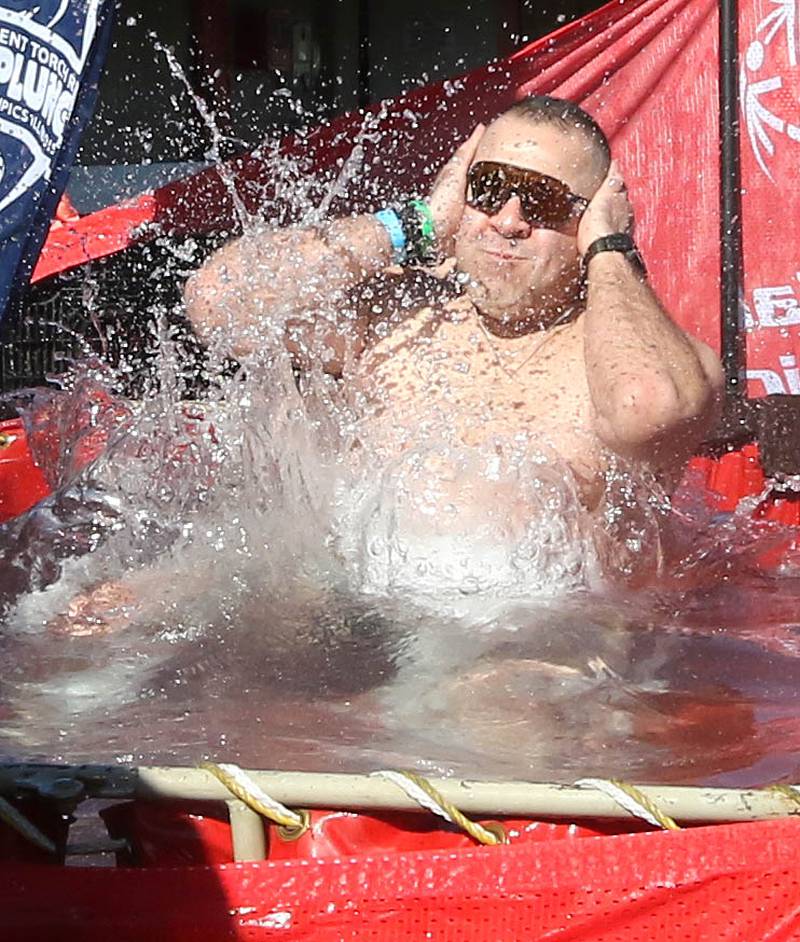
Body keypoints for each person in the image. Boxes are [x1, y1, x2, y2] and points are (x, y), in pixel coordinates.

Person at [184, 95, 723, 516]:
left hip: (544, 643)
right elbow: (218, 302)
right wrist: (412, 226)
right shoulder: (397, 317)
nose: (508, 221)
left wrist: (608, 247)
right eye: (488, 188)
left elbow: (647, 407)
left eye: (545, 200)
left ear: (589, 219)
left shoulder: (621, 354)